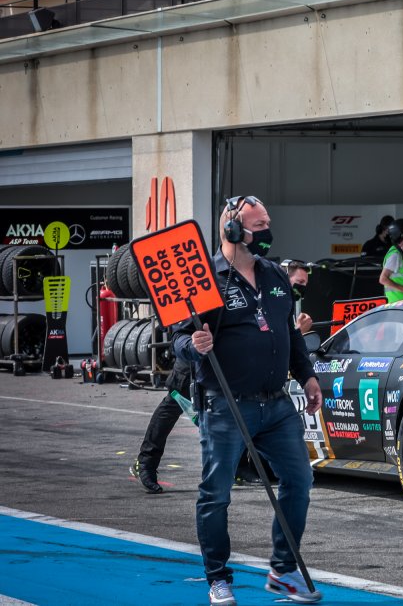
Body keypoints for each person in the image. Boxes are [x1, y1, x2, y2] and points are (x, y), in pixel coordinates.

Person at [173, 195, 322, 605]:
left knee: (300, 480)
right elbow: (177, 340)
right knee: (216, 493)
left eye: (267, 222)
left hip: (276, 404)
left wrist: (307, 375)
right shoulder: (205, 278)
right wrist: (194, 345)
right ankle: (218, 578)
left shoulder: (274, 274)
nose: (267, 232)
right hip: (226, 404)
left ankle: (283, 571)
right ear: (233, 230)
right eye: (259, 226)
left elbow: (289, 333)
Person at [233, 259, 314, 488]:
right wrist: (298, 331)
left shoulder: (285, 302)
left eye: (305, 285)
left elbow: (287, 339)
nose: (301, 289)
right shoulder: (263, 296)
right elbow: (265, 333)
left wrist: (308, 376)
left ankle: (259, 466)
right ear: (285, 278)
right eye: (299, 283)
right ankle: (239, 468)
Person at [129, 355, 193, 494]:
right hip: (192, 359)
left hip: (225, 358)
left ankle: (238, 467)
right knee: (172, 405)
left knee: (233, 408)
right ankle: (146, 463)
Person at [379, 218, 403, 302]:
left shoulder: (400, 254)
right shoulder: (395, 255)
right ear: (401, 235)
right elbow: (383, 279)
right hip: (398, 303)